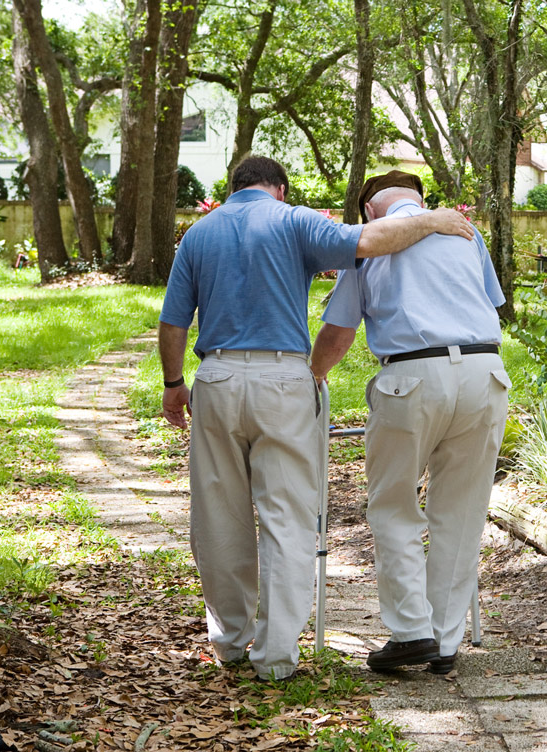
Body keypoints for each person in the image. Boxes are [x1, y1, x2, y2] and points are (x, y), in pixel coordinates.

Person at [158, 156, 475, 682]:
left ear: (233, 188)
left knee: (217, 515)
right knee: (287, 517)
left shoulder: (198, 234)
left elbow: (173, 321)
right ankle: (277, 656)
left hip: (213, 378)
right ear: (278, 188)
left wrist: (174, 385)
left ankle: (231, 642)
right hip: (283, 378)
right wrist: (434, 220)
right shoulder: (294, 219)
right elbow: (369, 241)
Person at [310, 170, 510, 675]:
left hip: (412, 376)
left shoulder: (370, 243)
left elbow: (339, 334)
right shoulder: (465, 231)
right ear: (420, 199)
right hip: (486, 372)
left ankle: (411, 632)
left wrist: (311, 377)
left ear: (369, 211)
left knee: (394, 504)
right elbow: (492, 304)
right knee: (461, 513)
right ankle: (444, 642)